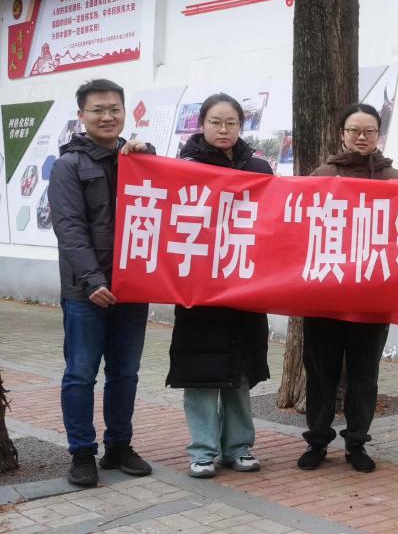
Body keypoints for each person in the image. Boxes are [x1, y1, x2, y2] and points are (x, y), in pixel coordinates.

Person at [49, 79, 155, 486]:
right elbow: (69, 229)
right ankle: (81, 452)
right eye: (98, 110)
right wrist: (92, 280)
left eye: (115, 109)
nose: (107, 116)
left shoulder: (137, 159)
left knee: (125, 372)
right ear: (82, 115)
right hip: (85, 292)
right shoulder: (68, 166)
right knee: (80, 374)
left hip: (132, 287)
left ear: (124, 112)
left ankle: (119, 446)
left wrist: (149, 157)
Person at [165, 93, 273, 478]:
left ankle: (239, 448)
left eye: (231, 123)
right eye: (215, 122)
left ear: (241, 126)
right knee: (200, 375)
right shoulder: (183, 168)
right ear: (202, 124)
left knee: (239, 377)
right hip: (199, 291)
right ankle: (203, 451)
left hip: (244, 287)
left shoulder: (259, 168)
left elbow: (274, 224)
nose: (223, 129)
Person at [297, 103, 398, 473]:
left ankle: (357, 443)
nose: (362, 137)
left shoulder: (394, 179)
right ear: (342, 133)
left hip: (373, 296)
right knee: (320, 374)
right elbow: (301, 230)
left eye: (369, 131)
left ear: (378, 134)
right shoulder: (322, 176)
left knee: (364, 376)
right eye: (354, 130)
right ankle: (317, 442)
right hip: (325, 295)